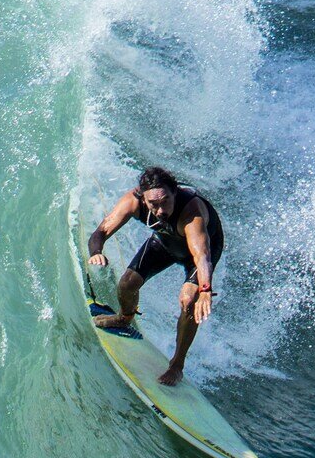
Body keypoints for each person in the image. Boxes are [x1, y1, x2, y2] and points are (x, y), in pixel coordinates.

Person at [87, 165, 224, 386]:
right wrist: (96, 252)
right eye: (153, 204)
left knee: (189, 300)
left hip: (200, 255)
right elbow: (101, 232)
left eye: (165, 202)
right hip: (166, 242)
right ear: (144, 199)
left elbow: (202, 256)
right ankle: (124, 318)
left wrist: (205, 289)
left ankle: (177, 366)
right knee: (127, 283)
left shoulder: (192, 212)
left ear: (175, 193)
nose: (159, 210)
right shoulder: (133, 202)